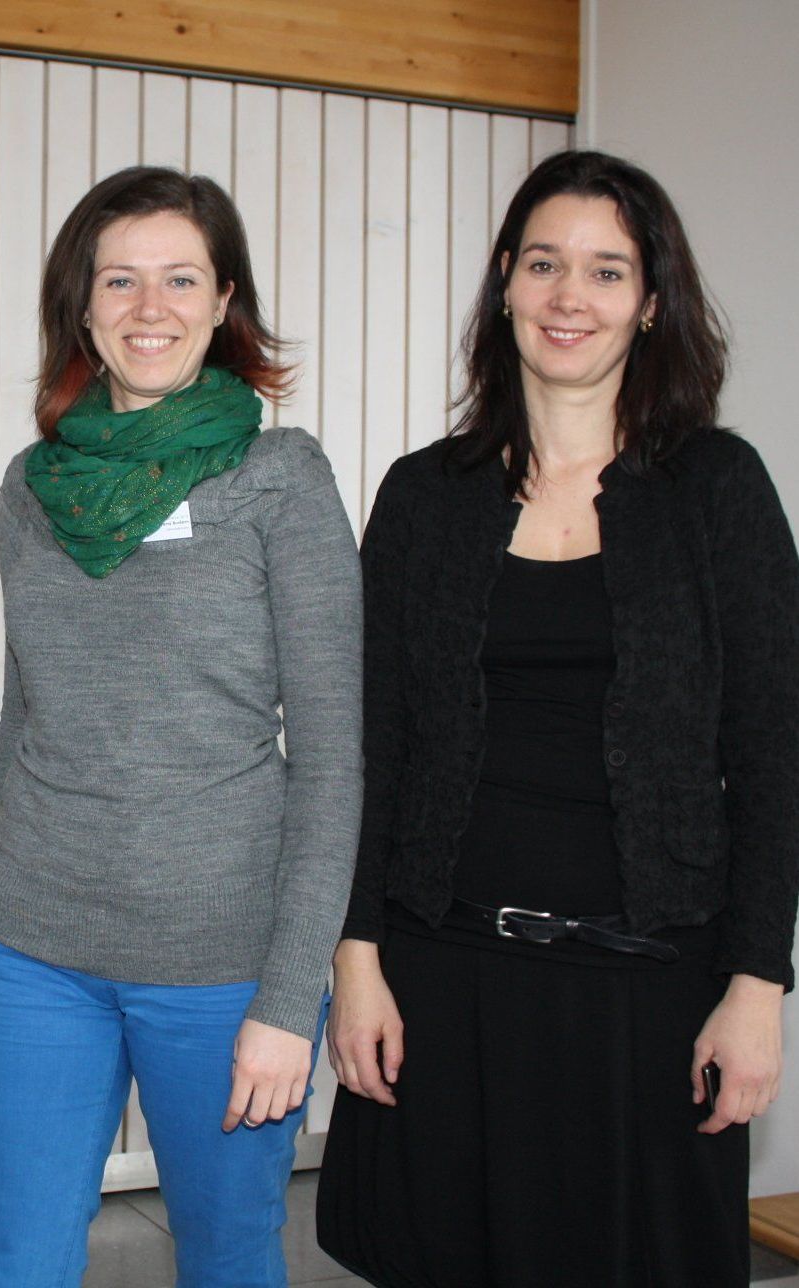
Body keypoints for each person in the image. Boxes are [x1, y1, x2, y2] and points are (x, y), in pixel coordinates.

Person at [317, 150, 797, 1287]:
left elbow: (773, 752)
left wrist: (755, 984)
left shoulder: (716, 489)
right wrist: (356, 957)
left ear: (650, 301)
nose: (568, 297)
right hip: (444, 981)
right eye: (543, 264)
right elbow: (368, 749)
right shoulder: (423, 497)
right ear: (503, 284)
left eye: (604, 270)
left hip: (651, 992)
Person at [0, 165, 363, 1288]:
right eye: (119, 280)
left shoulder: (280, 478)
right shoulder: (32, 486)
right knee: (6, 1263)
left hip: (221, 964)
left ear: (225, 299)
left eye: (180, 278)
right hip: (38, 951)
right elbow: (27, 707)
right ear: (79, 304)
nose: (150, 307)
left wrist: (291, 997)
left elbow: (331, 759)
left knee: (229, 1260)